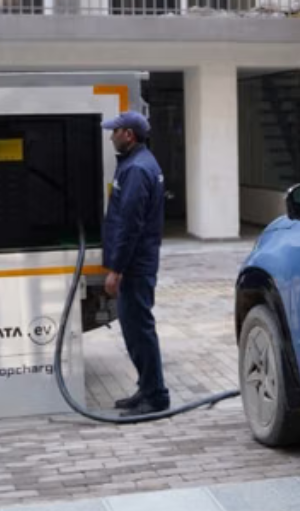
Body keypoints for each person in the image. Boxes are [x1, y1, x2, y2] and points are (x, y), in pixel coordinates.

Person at [99, 111, 169, 416]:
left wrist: (117, 269)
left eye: (114, 130)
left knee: (139, 330)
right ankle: (147, 389)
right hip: (139, 262)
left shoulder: (137, 169)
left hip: (135, 265)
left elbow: (130, 224)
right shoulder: (137, 164)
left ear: (128, 135)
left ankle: (156, 397)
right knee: (135, 330)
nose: (110, 135)